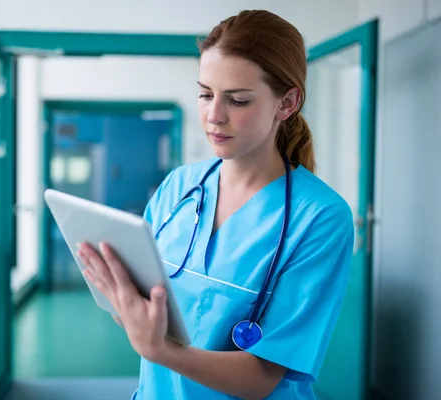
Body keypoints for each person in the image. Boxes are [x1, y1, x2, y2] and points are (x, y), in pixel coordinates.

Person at [75, 9, 354, 400]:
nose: (213, 116)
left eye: (237, 100)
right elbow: (146, 319)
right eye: (205, 94)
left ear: (287, 103)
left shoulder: (320, 218)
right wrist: (119, 297)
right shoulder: (178, 189)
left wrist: (160, 350)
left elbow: (264, 376)